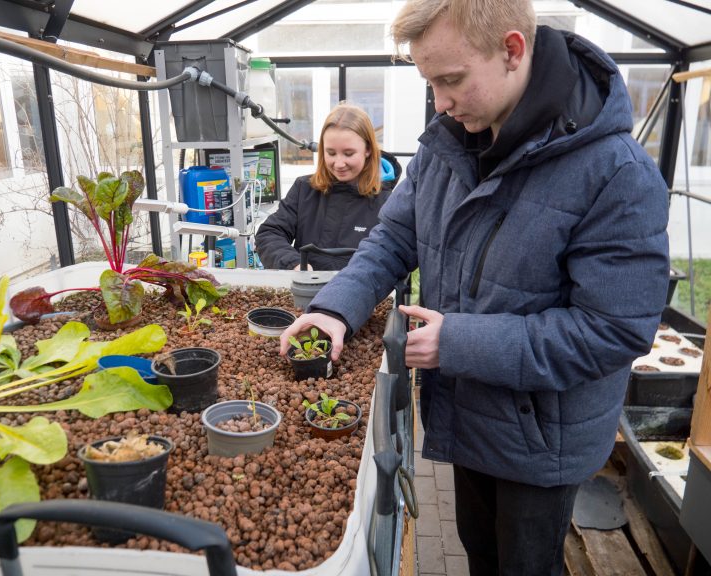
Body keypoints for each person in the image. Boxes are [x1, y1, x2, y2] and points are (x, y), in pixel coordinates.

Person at [279, 1, 670, 574]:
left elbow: (614, 330)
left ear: (512, 51)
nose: (439, 101)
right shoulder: (451, 142)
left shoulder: (616, 173)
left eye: (451, 80)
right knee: (479, 550)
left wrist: (456, 343)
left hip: (543, 440)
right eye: (430, 82)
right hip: (466, 411)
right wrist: (335, 308)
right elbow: (394, 236)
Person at [255, 103, 401, 271]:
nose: (339, 163)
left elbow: (394, 258)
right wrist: (293, 264)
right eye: (331, 153)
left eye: (348, 153)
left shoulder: (387, 203)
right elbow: (269, 234)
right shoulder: (304, 189)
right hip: (305, 292)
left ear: (368, 149)